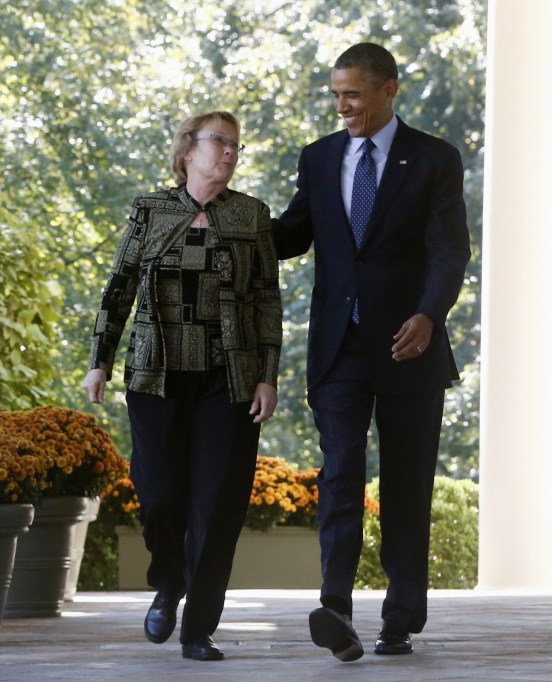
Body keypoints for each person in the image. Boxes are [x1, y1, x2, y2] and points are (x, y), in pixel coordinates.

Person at [272, 42, 471, 661]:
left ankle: (400, 619)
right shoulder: (319, 157)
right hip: (339, 351)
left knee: (407, 485)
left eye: (352, 95)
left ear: (389, 89)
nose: (342, 107)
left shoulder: (435, 158)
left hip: (409, 347)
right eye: (336, 95)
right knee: (338, 477)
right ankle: (335, 609)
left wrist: (428, 317)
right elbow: (291, 234)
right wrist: (224, 212)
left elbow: (449, 249)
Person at [83, 111, 282, 662]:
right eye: (219, 141)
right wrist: (99, 360)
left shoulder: (251, 214)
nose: (229, 152)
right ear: (187, 149)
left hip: (230, 378)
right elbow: (119, 287)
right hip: (155, 374)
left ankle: (198, 628)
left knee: (218, 506)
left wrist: (268, 374)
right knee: (159, 495)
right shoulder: (151, 210)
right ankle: (169, 582)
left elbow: (267, 299)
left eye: (235, 145)